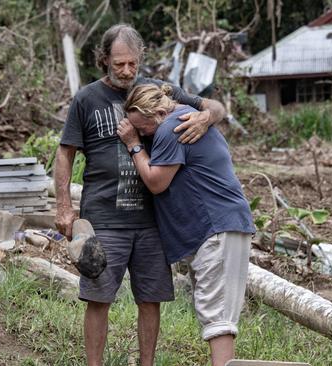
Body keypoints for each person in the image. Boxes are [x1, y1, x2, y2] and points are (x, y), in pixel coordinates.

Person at [53, 24, 226, 366]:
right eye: (119, 64)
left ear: (140, 60)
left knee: (150, 299)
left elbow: (217, 107)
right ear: (103, 60)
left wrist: (205, 119)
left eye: (132, 63)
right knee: (99, 297)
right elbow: (65, 153)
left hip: (152, 220)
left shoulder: (159, 92)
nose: (127, 71)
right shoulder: (87, 99)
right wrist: (64, 207)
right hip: (104, 218)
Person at [116, 83, 255, 366]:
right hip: (224, 226)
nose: (143, 135)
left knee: (218, 318)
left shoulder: (170, 127)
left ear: (157, 112)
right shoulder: (188, 114)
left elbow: (156, 182)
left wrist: (133, 145)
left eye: (144, 128)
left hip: (216, 228)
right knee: (216, 313)